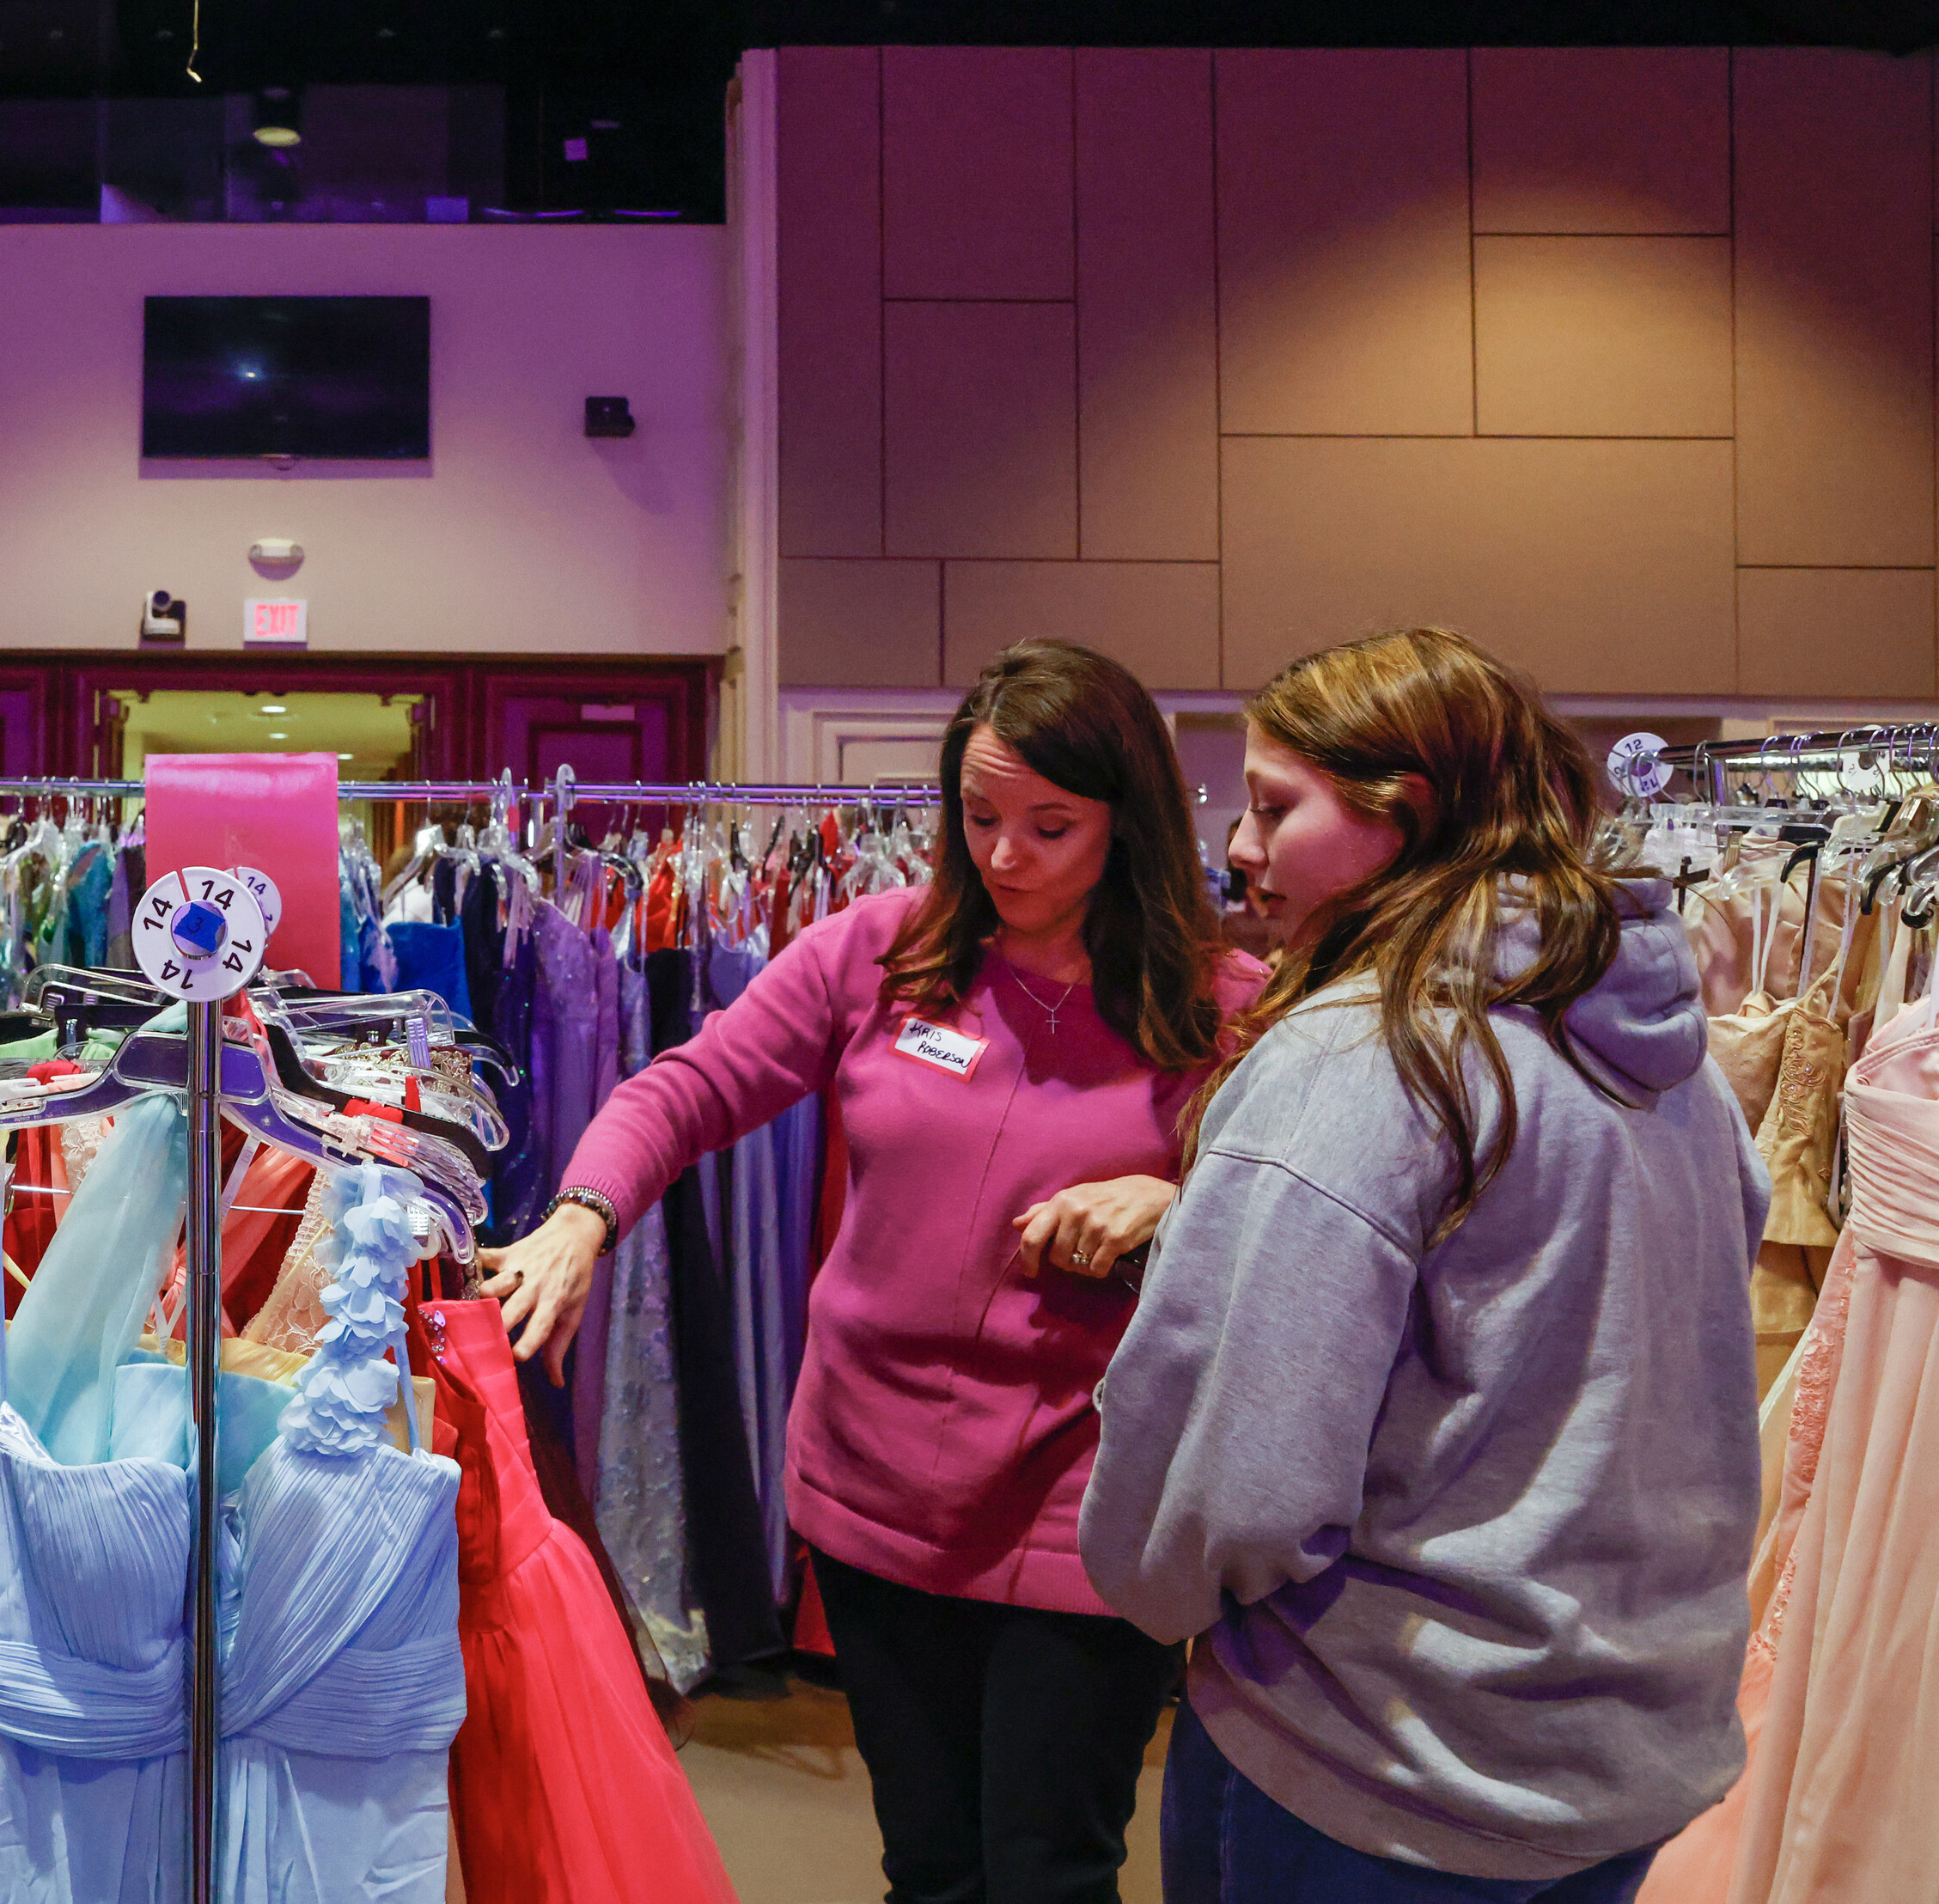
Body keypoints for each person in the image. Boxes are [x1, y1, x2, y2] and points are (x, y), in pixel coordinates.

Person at [486, 638, 1264, 1904]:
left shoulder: (1223, 1006)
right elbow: (686, 1088)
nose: (1006, 855)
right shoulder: (882, 951)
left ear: (1128, 825)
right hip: (876, 1488)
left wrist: (1177, 1201)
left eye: (1050, 827)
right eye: (979, 817)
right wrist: (583, 1214)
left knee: (1050, 1872)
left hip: (1086, 1492)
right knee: (933, 1869)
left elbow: (1295, 1217)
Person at [1082, 627, 1762, 1904]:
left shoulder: (1366, 1062)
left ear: (1407, 817)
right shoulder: (1676, 1063)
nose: (1236, 847)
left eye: (1275, 808)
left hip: (1380, 1765)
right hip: (1618, 1745)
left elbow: (1244, 1483)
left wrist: (1156, 1592)